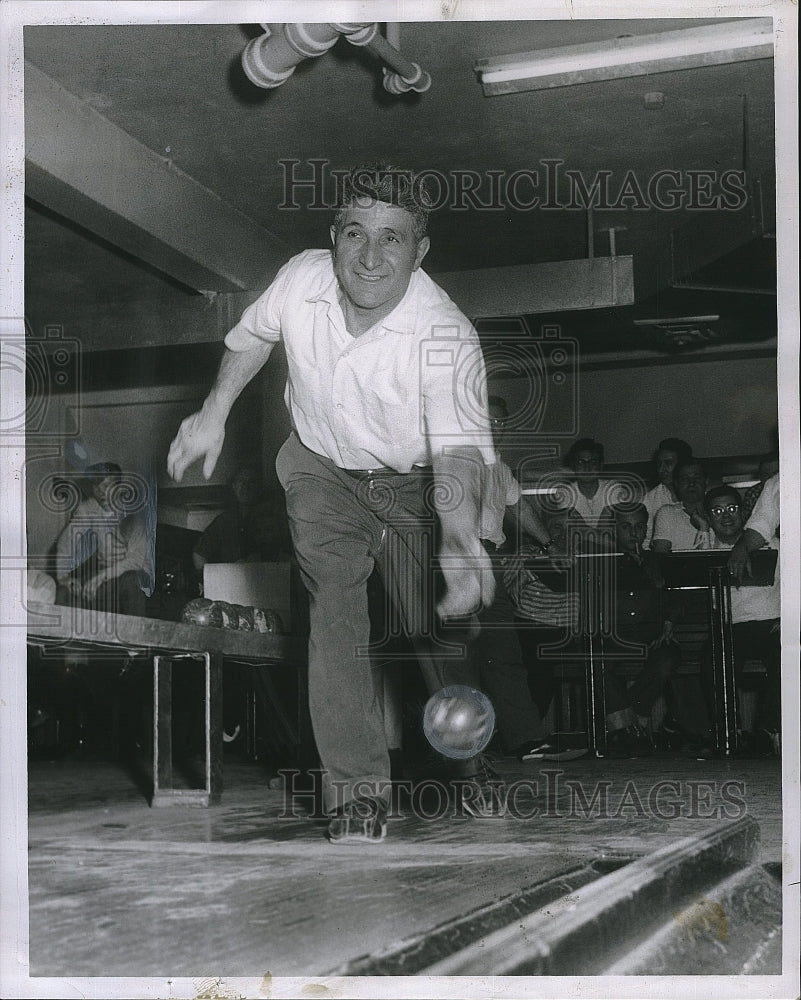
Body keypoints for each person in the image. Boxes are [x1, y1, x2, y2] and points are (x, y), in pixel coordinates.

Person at [168, 164, 499, 843]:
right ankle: (356, 795)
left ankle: (469, 763)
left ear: (419, 251)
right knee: (335, 616)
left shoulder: (446, 334)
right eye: (356, 234)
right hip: (319, 468)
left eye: (392, 239)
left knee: (432, 631)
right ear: (333, 236)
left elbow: (460, 452)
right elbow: (252, 338)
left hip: (414, 483)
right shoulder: (300, 278)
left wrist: (459, 539)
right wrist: (212, 414)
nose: (370, 257)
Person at [473, 397, 586, 762]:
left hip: (491, 560)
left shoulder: (499, 467)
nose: (496, 428)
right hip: (460, 561)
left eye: (502, 422)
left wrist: (550, 543)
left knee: (504, 653)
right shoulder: (455, 459)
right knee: (456, 655)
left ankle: (525, 739)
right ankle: (460, 748)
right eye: (489, 420)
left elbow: (517, 506)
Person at [601, 503, 695, 756]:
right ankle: (634, 729)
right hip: (613, 638)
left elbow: (679, 598)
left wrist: (669, 623)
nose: (633, 533)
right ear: (613, 530)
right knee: (593, 661)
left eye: (639, 527)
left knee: (668, 657)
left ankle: (625, 727)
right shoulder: (600, 562)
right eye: (625, 527)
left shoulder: (658, 560)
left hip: (653, 636)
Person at [703, 484, 780, 754]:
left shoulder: (773, 545)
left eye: (732, 508)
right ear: (709, 517)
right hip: (732, 629)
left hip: (772, 624)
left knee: (786, 654)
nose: (725, 515)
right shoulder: (703, 549)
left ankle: (767, 731)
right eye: (717, 511)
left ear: (745, 512)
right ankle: (729, 733)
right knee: (713, 655)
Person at [54, 461, 152, 617]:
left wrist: (102, 577)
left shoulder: (135, 511)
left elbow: (136, 560)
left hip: (134, 575)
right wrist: (63, 577)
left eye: (107, 486)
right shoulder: (89, 508)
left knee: (132, 581)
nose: (101, 493)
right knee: (64, 593)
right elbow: (67, 541)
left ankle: (135, 639)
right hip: (104, 576)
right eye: (96, 486)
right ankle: (64, 640)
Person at [557, 439, 628, 529]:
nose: (587, 468)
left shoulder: (612, 488)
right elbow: (574, 530)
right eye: (581, 462)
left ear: (601, 465)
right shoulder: (565, 492)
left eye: (593, 462)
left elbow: (614, 529)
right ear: (573, 466)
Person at [650, 458, 712, 553]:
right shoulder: (667, 513)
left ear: (706, 481)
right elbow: (660, 557)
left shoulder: (718, 512)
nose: (691, 483)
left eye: (697, 478)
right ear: (677, 484)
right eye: (685, 479)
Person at [642, 438, 693, 546]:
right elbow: (645, 542)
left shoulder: (698, 493)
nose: (661, 469)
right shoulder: (650, 500)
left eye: (668, 463)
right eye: (659, 464)